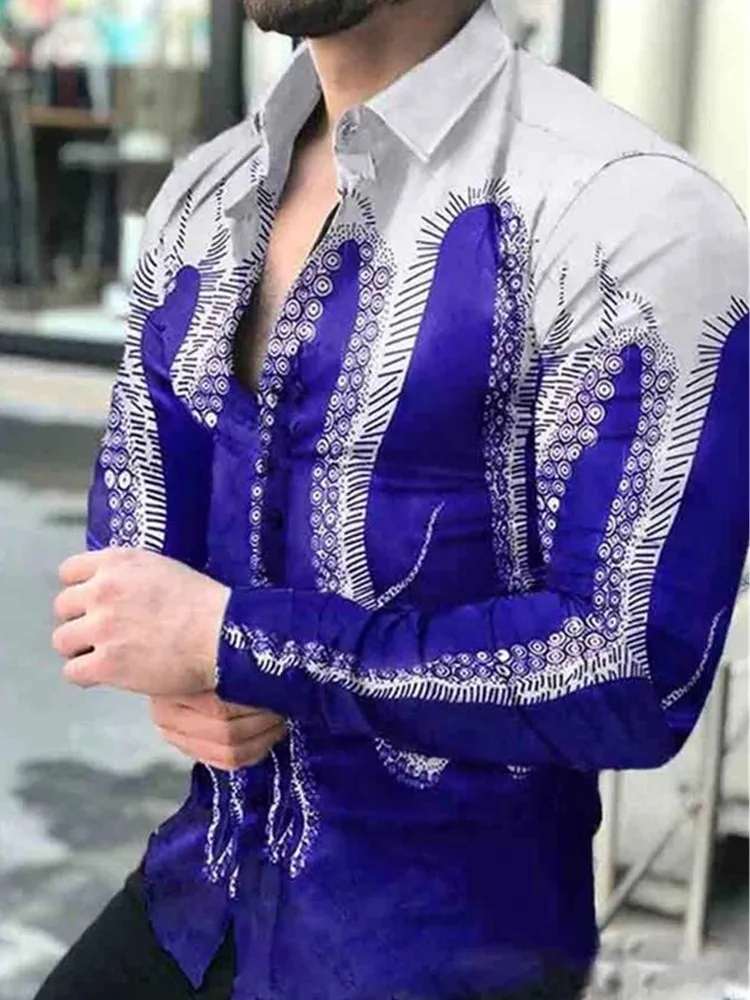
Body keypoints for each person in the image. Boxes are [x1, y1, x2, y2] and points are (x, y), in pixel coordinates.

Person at [43, 0, 748, 998]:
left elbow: (632, 673)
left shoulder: (633, 214)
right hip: (206, 889)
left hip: (452, 950)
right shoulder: (206, 192)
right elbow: (136, 555)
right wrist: (187, 672)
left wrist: (240, 642)